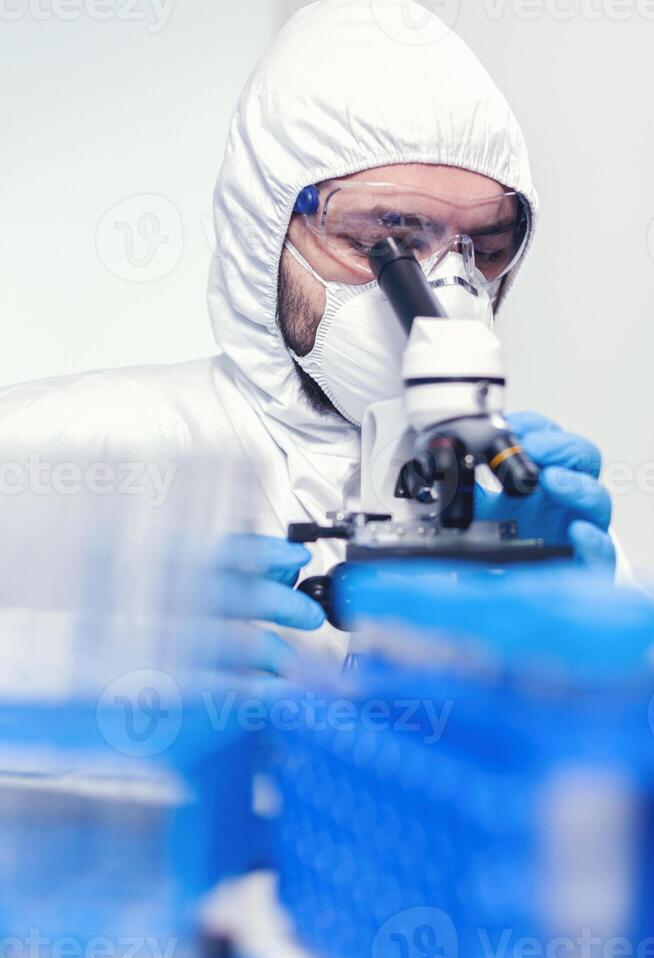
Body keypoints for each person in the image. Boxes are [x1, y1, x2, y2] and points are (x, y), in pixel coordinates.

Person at [0, 0, 621, 664]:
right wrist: (79, 667)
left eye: (486, 249)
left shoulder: (535, 520)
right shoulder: (62, 455)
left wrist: (576, 664)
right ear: (264, 228)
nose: (447, 292)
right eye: (384, 241)